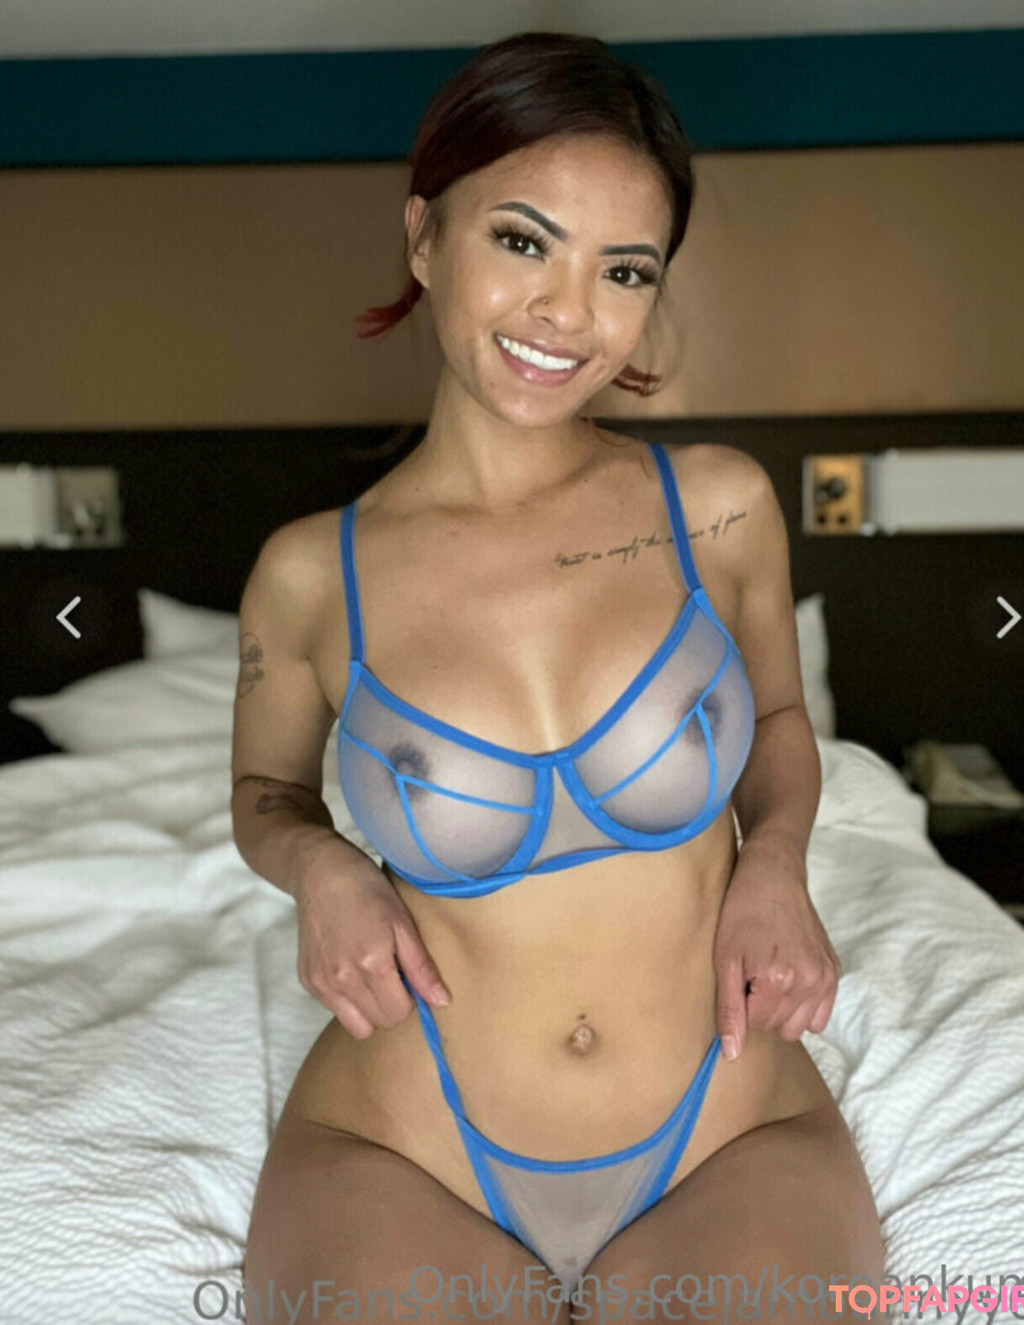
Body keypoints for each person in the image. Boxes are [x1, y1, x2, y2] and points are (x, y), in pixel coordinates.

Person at [233, 31, 884, 1324]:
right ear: (424, 236)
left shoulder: (718, 507)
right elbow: (264, 794)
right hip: (406, 1144)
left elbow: (775, 715)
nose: (568, 313)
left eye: (623, 269)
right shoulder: (310, 577)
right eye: (524, 242)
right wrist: (321, 869)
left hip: (727, 1125)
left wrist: (775, 860)